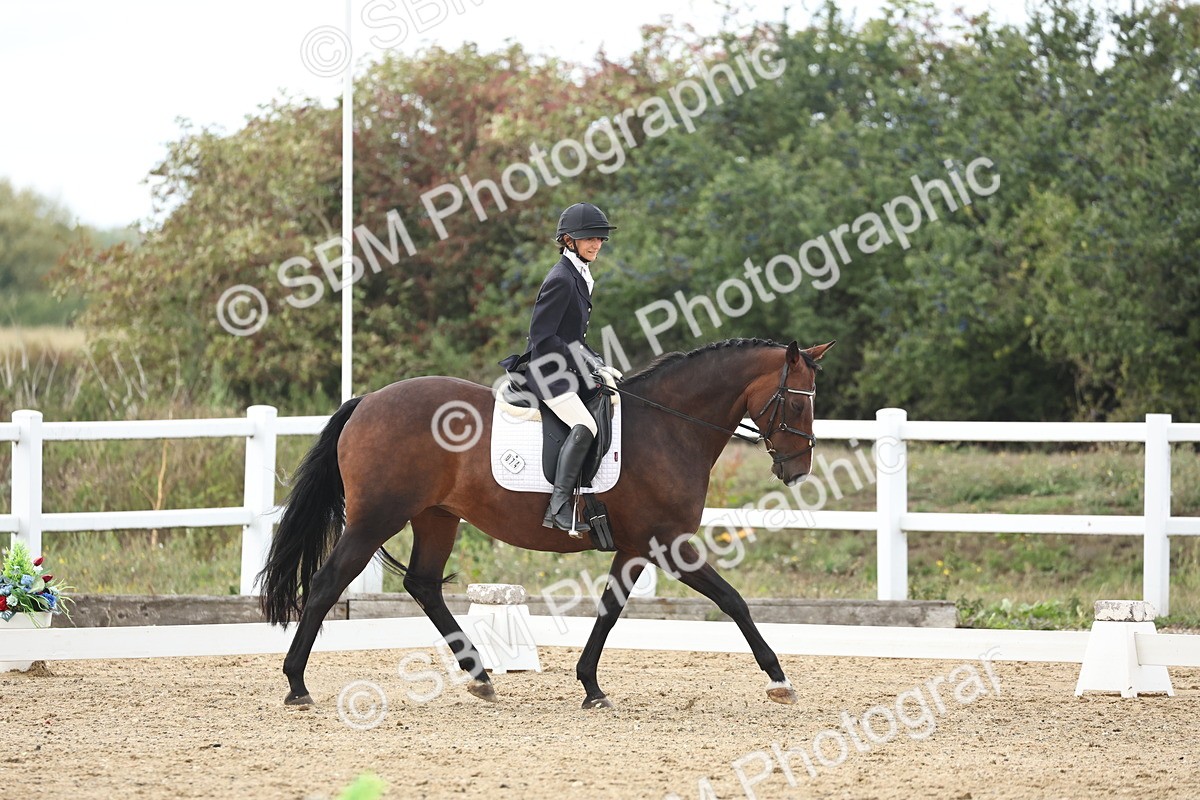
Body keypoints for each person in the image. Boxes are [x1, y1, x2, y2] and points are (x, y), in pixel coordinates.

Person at [500, 202, 622, 534]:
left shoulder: (581, 275)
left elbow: (574, 336)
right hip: (546, 372)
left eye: (599, 239)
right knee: (586, 425)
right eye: (588, 239)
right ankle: (558, 506)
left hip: (566, 368)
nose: (596, 244)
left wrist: (596, 363)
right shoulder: (562, 279)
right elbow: (542, 336)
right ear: (568, 240)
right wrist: (583, 363)